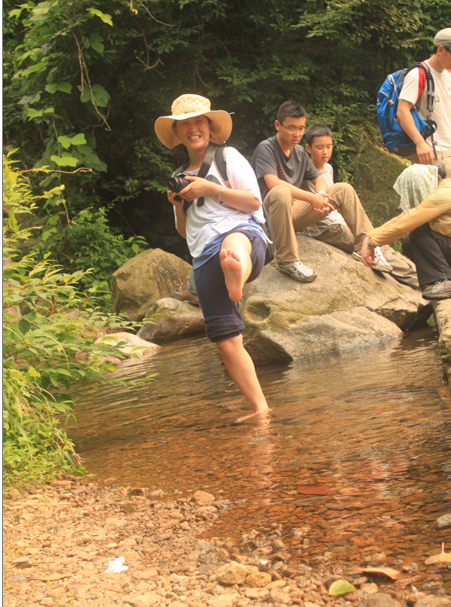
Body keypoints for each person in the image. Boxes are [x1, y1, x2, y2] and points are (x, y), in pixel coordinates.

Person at [155, 93, 270, 422]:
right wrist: (178, 205)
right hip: (204, 256)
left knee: (231, 247)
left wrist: (210, 188)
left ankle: (236, 276)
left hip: (242, 233)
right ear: (177, 132)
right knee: (225, 338)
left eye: (199, 122)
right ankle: (261, 409)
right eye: (185, 124)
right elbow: (185, 232)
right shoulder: (179, 175)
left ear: (209, 126)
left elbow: (254, 202)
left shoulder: (227, 157)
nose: (193, 129)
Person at [250, 101, 392, 282]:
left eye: (301, 128)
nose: (297, 134)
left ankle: (366, 245)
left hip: (292, 213)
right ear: (278, 125)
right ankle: (286, 260)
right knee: (281, 191)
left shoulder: (299, 152)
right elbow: (273, 183)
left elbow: (318, 179)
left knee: (343, 189)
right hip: (270, 215)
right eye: (291, 128)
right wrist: (311, 198)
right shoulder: (266, 148)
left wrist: (320, 196)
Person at [302, 124, 420, 289]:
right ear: (308, 148)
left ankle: (424, 274)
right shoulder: (304, 172)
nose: (325, 152)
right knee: (377, 247)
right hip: (327, 228)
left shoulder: (328, 168)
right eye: (319, 148)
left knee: (381, 244)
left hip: (342, 223)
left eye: (329, 146)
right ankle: (422, 280)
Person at [359, 164, 451, 300]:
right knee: (409, 243)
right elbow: (405, 217)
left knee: (419, 230)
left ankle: (446, 281)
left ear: (419, 184)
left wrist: (373, 243)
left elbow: (403, 225)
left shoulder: (442, 195)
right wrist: (370, 236)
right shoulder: (444, 191)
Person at [397, 28, 451, 195]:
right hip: (431, 151)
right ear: (440, 50)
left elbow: (447, 109)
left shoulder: (450, 75)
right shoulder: (418, 74)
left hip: (450, 150)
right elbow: (402, 111)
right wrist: (420, 143)